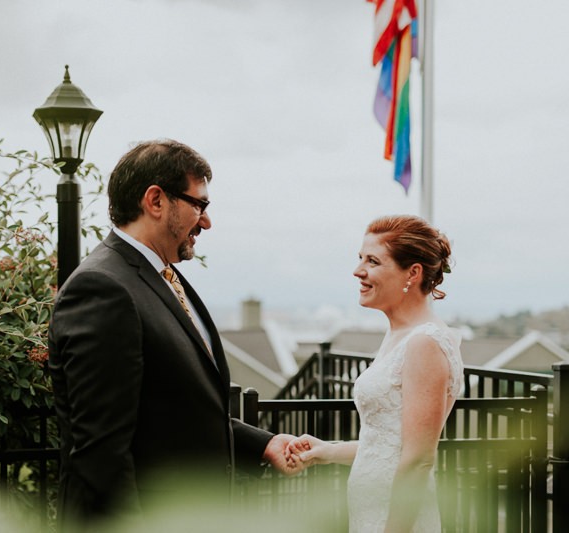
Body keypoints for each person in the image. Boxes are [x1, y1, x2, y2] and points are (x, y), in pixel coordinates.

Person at [48, 139, 297, 530]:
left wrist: (262, 445)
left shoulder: (160, 277)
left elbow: (170, 409)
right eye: (199, 204)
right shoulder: (103, 288)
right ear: (156, 201)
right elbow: (101, 451)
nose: (207, 221)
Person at [286, 214, 463, 533]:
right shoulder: (400, 335)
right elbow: (387, 445)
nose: (358, 271)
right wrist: (324, 452)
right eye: (360, 259)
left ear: (413, 272)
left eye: (373, 261)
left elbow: (418, 460)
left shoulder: (425, 342)